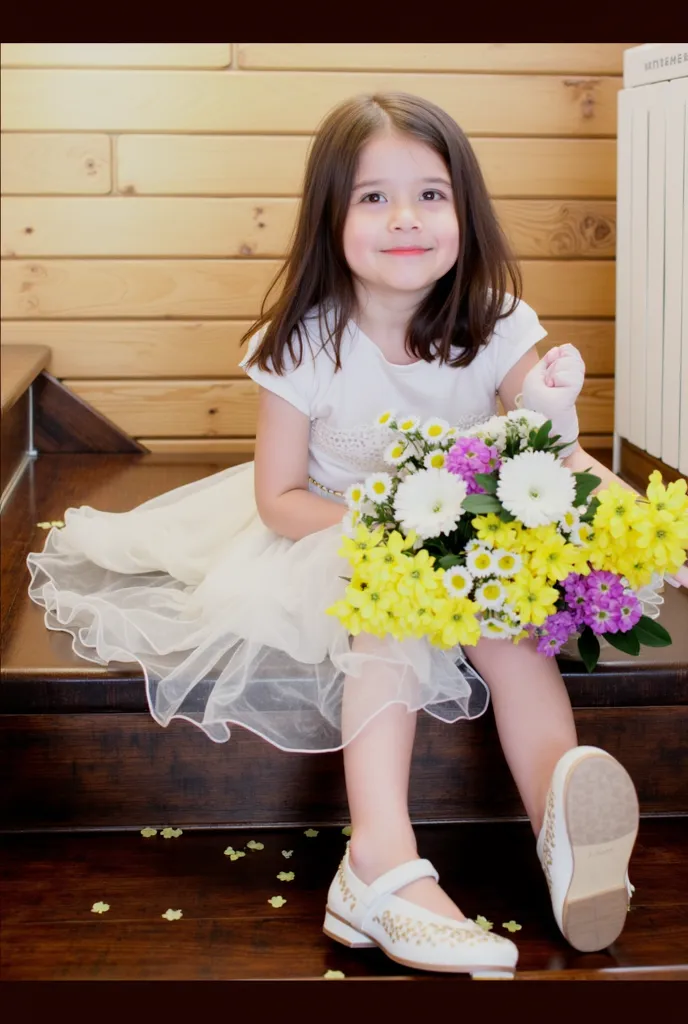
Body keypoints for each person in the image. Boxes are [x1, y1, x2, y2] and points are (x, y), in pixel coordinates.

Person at [27, 92, 687, 977]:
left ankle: (564, 827)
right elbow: (278, 499)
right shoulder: (302, 342)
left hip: (470, 536)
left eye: (432, 194)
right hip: (333, 530)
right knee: (388, 613)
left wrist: (638, 522)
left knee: (518, 636)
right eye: (374, 198)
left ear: (466, 211)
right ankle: (378, 860)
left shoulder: (494, 321)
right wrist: (385, 539)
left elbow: (553, 451)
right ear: (330, 216)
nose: (406, 218)